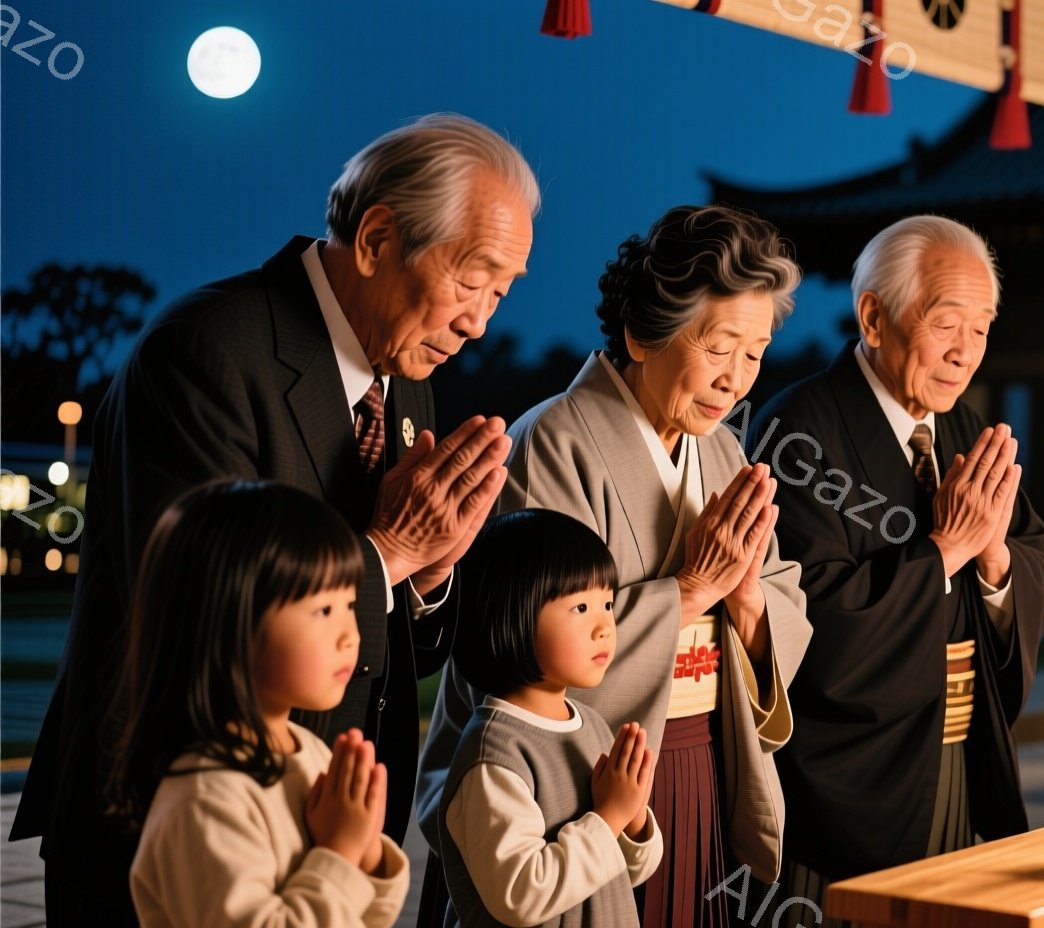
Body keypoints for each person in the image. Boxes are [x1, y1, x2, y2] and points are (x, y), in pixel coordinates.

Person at [12, 112, 536, 924]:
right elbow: (198, 614)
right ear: (375, 240)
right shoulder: (205, 349)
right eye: (472, 280)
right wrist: (392, 553)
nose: (479, 322)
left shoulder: (406, 373)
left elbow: (394, 648)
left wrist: (432, 574)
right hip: (175, 828)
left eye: (502, 292)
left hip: (333, 838)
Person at [417, 205, 812, 928]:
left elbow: (780, 594)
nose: (735, 380)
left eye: (754, 353)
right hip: (573, 777)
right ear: (641, 333)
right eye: (719, 345)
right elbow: (528, 638)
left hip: (695, 757)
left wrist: (748, 598)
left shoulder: (723, 448)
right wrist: (692, 591)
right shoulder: (555, 443)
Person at [747, 215, 1044, 921]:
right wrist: (944, 550)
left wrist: (992, 557)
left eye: (981, 329)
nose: (966, 352)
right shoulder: (798, 432)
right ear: (874, 317)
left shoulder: (965, 431)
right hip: (849, 778)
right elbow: (804, 618)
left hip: (954, 753)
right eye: (948, 322)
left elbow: (1031, 559)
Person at [109, 480, 410, 927]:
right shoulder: (204, 799)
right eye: (323, 610)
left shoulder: (307, 750)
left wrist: (365, 850)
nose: (351, 635)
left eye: (349, 604)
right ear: (229, 622)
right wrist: (340, 853)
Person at [433, 509, 664, 927]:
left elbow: (627, 871)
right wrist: (608, 815)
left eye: (607, 603)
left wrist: (632, 820)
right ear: (512, 613)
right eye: (580, 607)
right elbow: (522, 895)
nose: (604, 627)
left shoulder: (590, 724)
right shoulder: (494, 756)